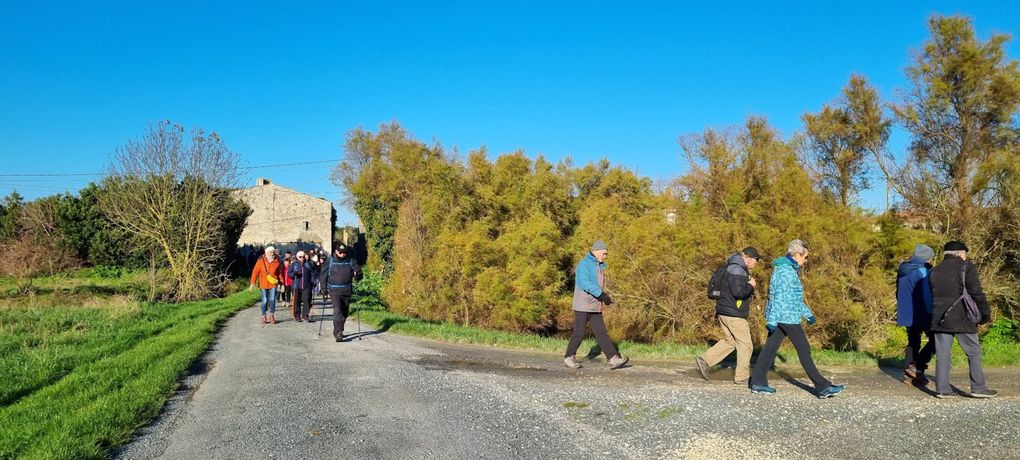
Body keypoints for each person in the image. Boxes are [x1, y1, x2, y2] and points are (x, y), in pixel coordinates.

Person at [750, 239, 844, 398]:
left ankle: (757, 382)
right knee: (804, 350)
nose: (806, 261)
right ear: (797, 254)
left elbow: (793, 298)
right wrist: (772, 321)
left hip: (786, 315)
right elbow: (777, 298)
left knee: (770, 349)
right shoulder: (785, 272)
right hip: (787, 318)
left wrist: (808, 314)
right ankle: (822, 387)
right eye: (805, 257)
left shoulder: (789, 269)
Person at [929, 241, 996, 398]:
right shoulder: (966, 266)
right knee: (973, 352)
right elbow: (976, 293)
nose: (966, 256)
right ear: (959, 253)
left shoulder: (934, 270)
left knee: (943, 354)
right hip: (962, 317)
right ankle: (978, 388)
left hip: (939, 319)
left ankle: (943, 390)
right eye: (965, 253)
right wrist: (985, 314)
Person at [695, 247, 760, 385]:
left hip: (723, 311)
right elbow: (739, 293)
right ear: (748, 258)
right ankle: (742, 376)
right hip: (734, 313)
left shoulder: (730, 266)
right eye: (756, 260)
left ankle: (705, 360)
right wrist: (751, 285)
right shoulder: (738, 269)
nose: (756, 263)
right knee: (746, 344)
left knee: (730, 341)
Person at [563, 240, 629, 370]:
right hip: (582, 304)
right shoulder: (584, 264)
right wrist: (602, 295)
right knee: (579, 332)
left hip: (594, 305)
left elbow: (596, 284)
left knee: (601, 333)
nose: (606, 256)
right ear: (597, 252)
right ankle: (569, 357)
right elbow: (584, 283)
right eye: (604, 253)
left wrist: (603, 296)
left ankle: (613, 358)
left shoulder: (598, 266)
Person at [896, 244, 935, 384]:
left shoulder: (903, 269)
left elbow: (898, 293)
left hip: (906, 312)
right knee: (936, 340)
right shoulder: (923, 270)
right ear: (927, 258)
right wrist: (932, 311)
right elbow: (927, 295)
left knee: (913, 342)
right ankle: (917, 367)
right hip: (922, 312)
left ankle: (908, 375)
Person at [327, 243, 362, 342]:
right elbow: (323, 275)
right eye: (341, 253)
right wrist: (325, 291)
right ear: (336, 252)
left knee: (344, 312)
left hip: (347, 290)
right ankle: (338, 333)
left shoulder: (351, 261)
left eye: (344, 253)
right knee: (337, 310)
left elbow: (358, 271)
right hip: (334, 290)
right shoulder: (330, 261)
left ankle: (339, 329)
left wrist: (358, 274)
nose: (343, 255)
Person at [249, 246, 285, 324]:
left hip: (273, 284)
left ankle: (271, 315)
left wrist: (282, 284)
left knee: (272, 300)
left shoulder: (277, 262)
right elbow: (255, 272)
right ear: (266, 253)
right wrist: (252, 283)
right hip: (263, 283)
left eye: (273, 252)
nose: (272, 254)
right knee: (264, 300)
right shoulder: (260, 261)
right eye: (270, 252)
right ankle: (263, 316)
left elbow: (280, 274)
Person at [288, 251, 314, 322]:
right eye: (300, 257)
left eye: (303, 257)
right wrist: (294, 274)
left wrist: (313, 281)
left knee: (306, 300)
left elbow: (312, 273)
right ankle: (297, 315)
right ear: (297, 257)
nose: (302, 258)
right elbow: (289, 274)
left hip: (306, 285)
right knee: (297, 301)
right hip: (296, 285)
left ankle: (305, 315)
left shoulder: (308, 264)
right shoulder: (294, 265)